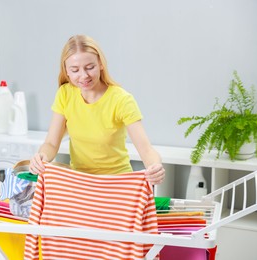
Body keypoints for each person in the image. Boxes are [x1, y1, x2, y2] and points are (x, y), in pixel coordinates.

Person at [29, 34, 165, 185]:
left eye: (90, 67)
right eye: (75, 70)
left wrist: (155, 167)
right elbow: (51, 144)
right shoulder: (65, 94)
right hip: (80, 183)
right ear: (66, 71)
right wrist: (42, 156)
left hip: (116, 183)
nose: (84, 76)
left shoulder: (121, 99)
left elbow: (146, 150)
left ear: (101, 63)